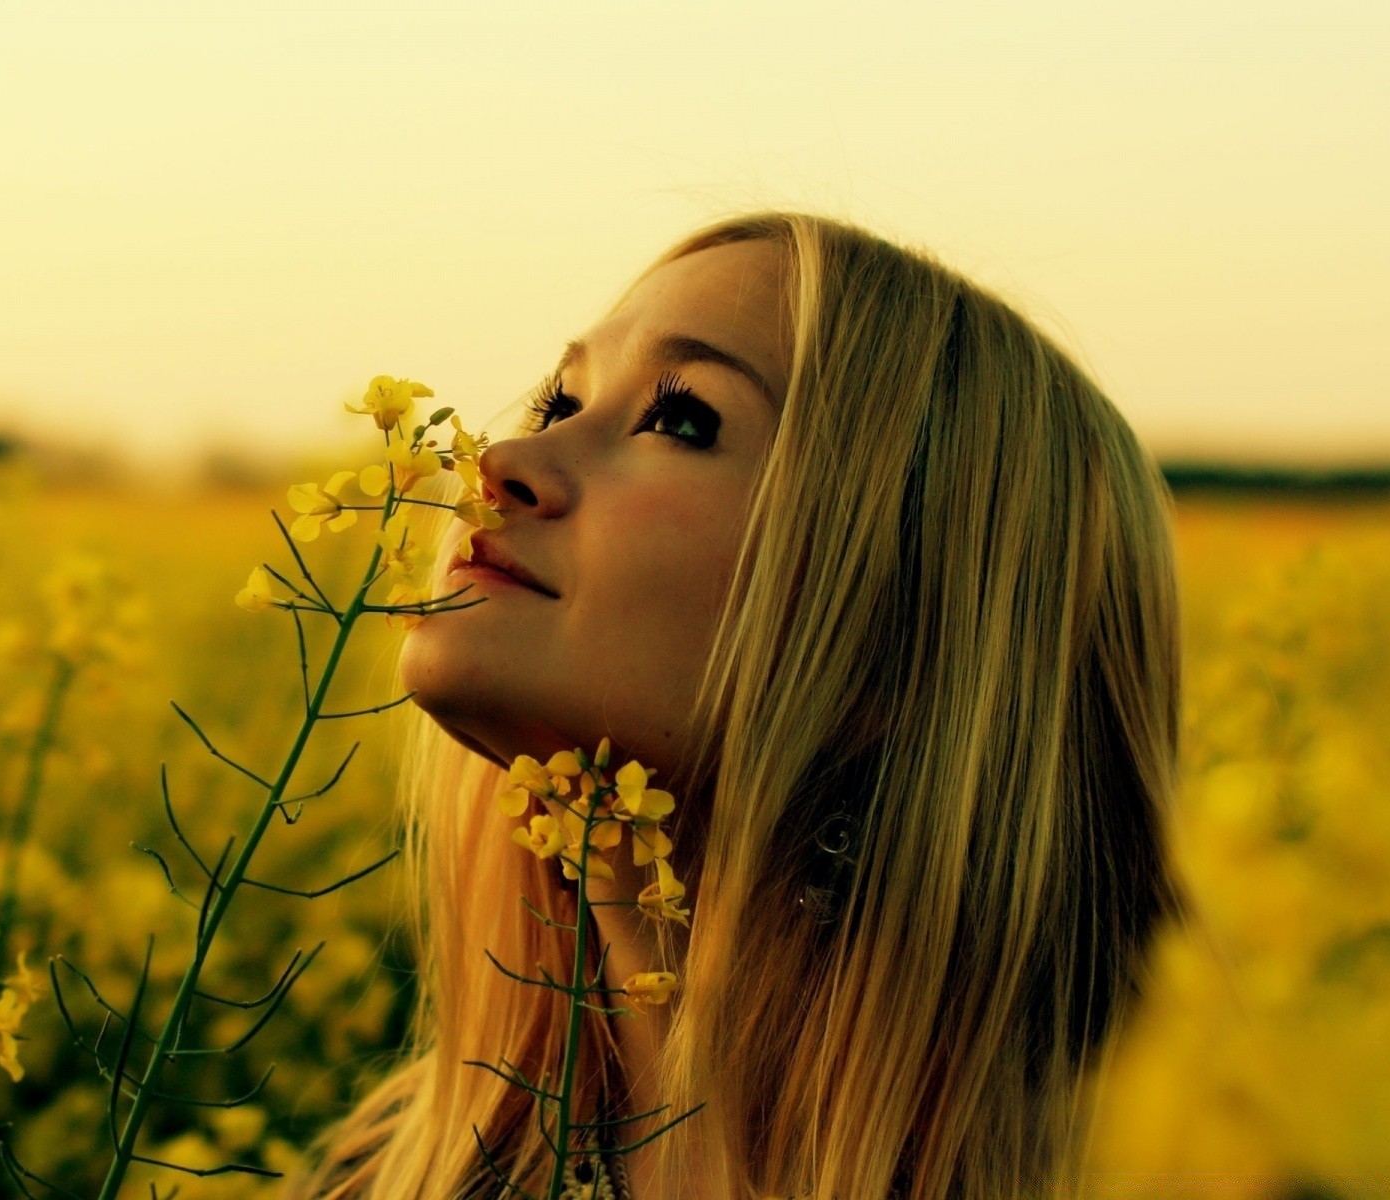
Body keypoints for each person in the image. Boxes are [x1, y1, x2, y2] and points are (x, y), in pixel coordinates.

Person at [280, 212, 1188, 1200]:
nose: (502, 461)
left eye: (680, 418)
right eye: (556, 401)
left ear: (894, 652)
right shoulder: (386, 1177)